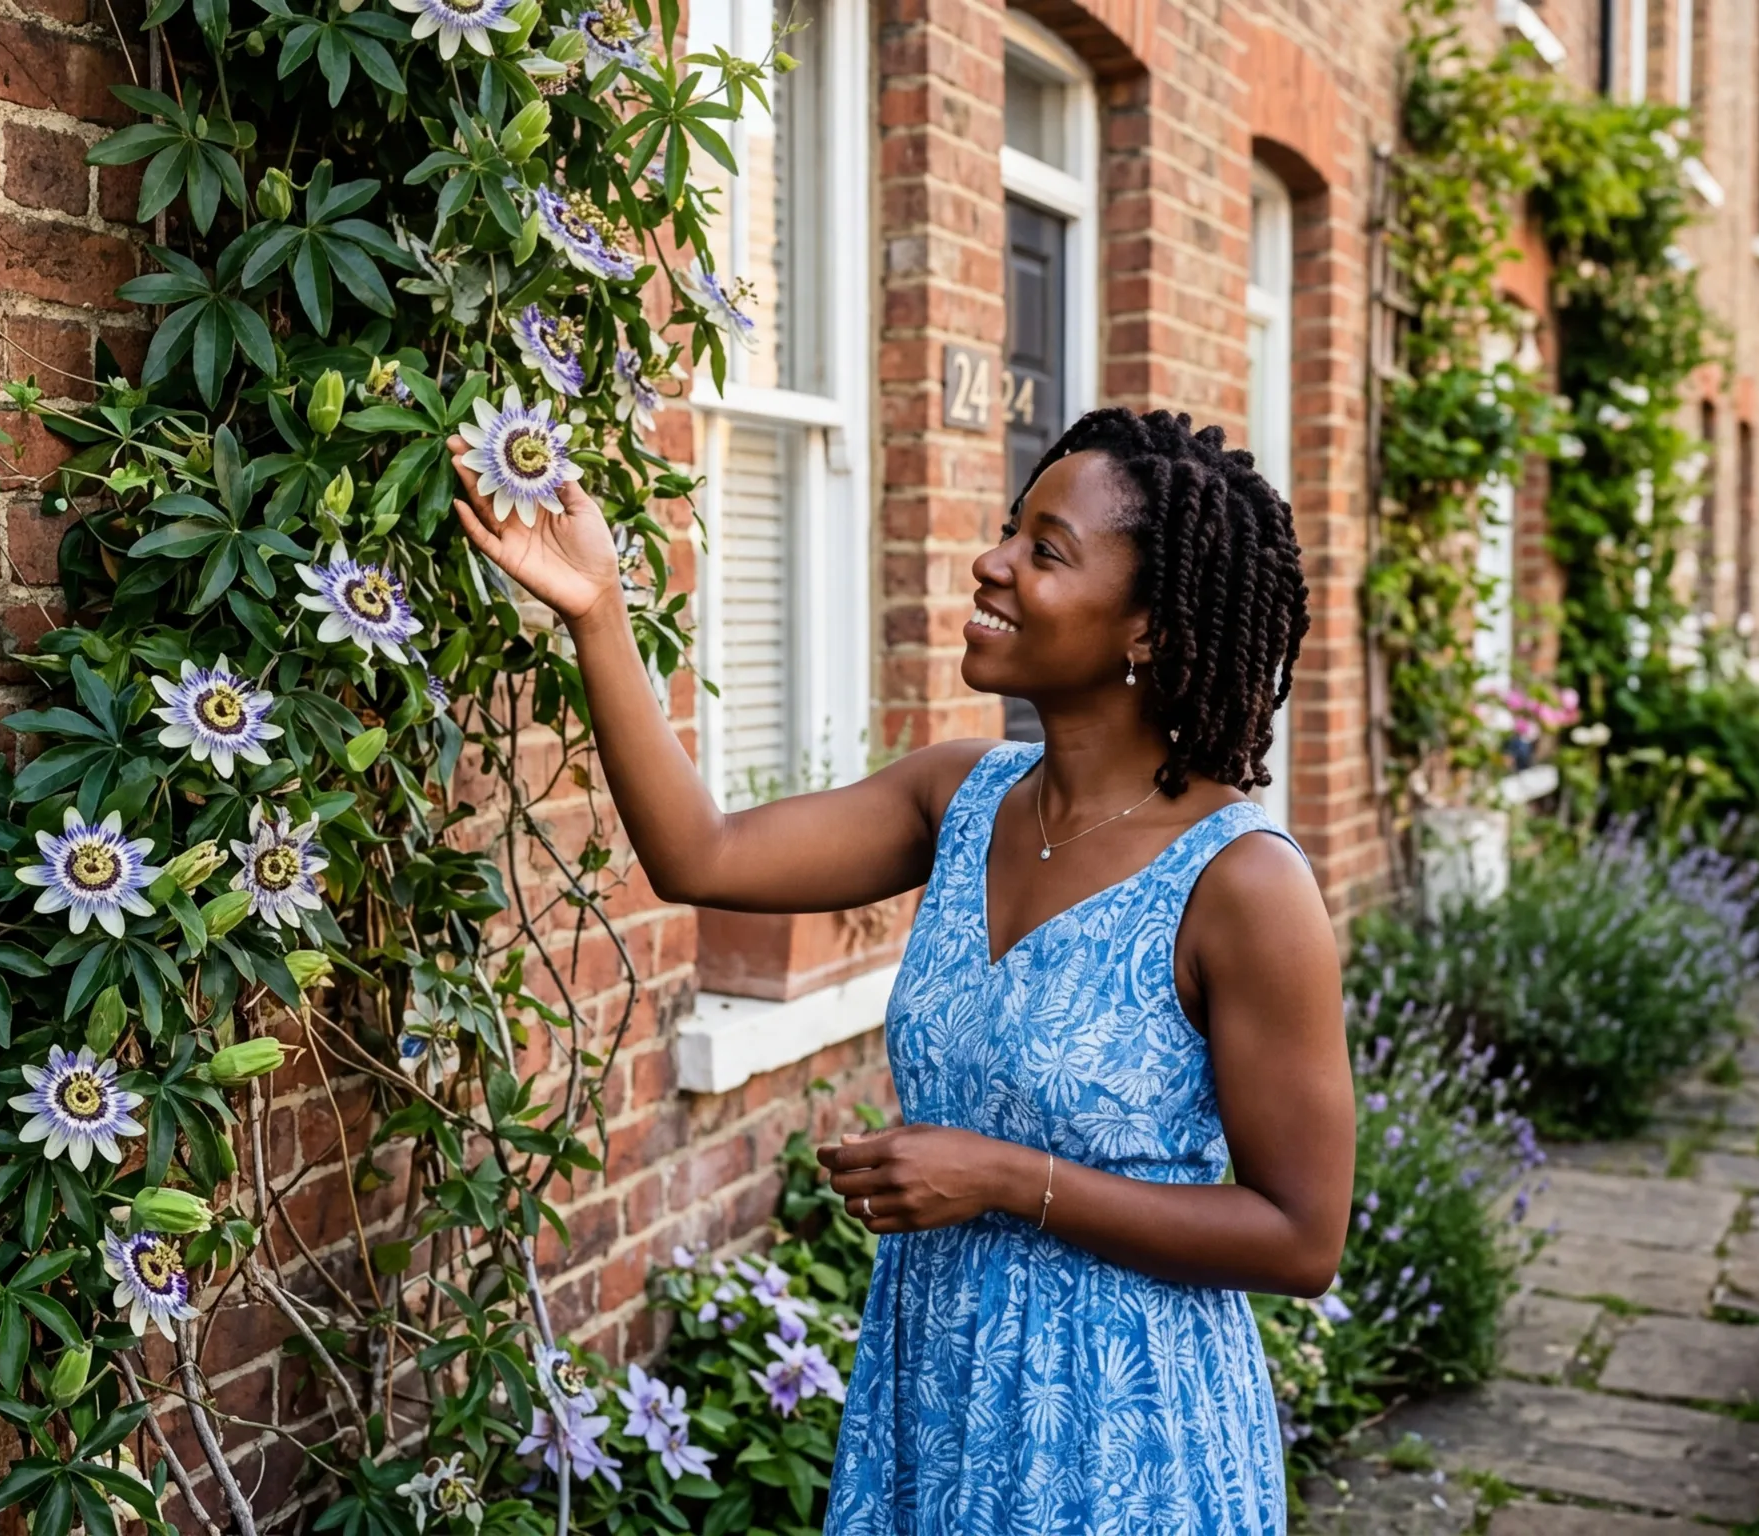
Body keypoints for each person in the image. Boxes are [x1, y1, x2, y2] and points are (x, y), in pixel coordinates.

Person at [449, 404, 1352, 1534]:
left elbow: (1300, 1237)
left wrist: (1005, 1178)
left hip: (1119, 1433)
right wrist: (598, 614)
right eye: (1009, 530)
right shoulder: (959, 797)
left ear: (1150, 630)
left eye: (1045, 550)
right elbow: (700, 855)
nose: (992, 562)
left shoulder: (1243, 884)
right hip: (936, 1385)